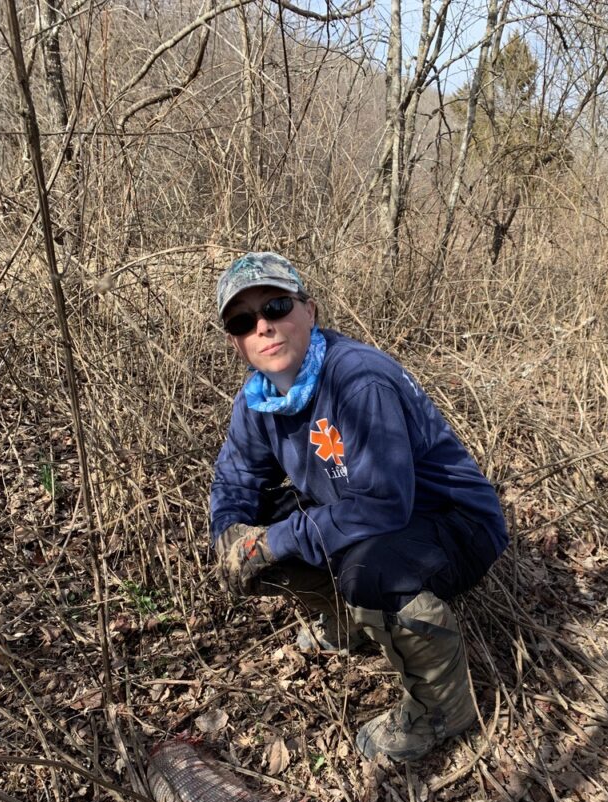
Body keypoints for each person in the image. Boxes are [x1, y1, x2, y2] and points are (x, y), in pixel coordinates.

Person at [210, 252, 508, 762]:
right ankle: (348, 624)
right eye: (244, 320)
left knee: (371, 570)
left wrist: (276, 540)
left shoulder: (356, 380)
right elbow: (236, 480)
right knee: (256, 536)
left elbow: (385, 505)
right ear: (236, 340)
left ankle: (444, 707)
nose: (264, 327)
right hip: (364, 510)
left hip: (453, 521)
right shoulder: (259, 400)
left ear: (311, 310)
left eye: (277, 306)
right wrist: (231, 537)